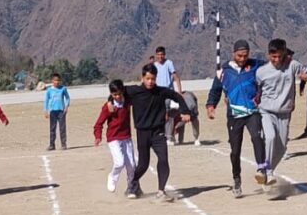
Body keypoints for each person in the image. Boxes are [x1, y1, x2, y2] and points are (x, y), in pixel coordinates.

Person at [118, 64, 191, 202]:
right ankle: (133, 184)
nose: (150, 81)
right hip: (142, 133)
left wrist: (185, 111)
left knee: (163, 159)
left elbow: (178, 97)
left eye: (153, 78)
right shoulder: (134, 91)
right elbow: (116, 90)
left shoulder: (161, 92)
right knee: (143, 165)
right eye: (147, 78)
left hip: (158, 132)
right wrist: (111, 101)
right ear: (142, 78)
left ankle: (161, 191)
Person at [206, 40, 267, 197]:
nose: (242, 58)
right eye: (240, 55)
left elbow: (273, 67)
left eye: (245, 55)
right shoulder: (223, 71)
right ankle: (237, 179)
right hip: (234, 115)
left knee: (257, 137)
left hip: (253, 112)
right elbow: (215, 90)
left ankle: (262, 169)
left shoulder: (257, 66)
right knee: (235, 150)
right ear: (233, 54)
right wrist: (211, 105)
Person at [256, 39, 307, 185]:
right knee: (270, 137)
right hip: (266, 112)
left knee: (281, 149)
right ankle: (267, 171)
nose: (276, 60)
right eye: (273, 57)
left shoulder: (292, 66)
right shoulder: (261, 72)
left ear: (284, 54)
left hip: (285, 113)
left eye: (279, 56)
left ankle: (267, 173)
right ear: (269, 55)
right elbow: (254, 91)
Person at [94, 80, 135, 193]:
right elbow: (98, 123)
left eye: (119, 94)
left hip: (126, 136)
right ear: (111, 94)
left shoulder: (127, 102)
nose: (117, 96)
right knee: (119, 162)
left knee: (131, 165)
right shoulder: (108, 107)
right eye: (114, 95)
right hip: (113, 138)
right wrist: (98, 136)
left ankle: (131, 187)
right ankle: (112, 177)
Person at [44, 73, 70, 151]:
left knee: (62, 128)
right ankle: (52, 145)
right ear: (52, 81)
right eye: (55, 80)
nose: (57, 82)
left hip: (61, 111)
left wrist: (66, 106)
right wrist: (46, 110)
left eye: (58, 80)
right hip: (53, 112)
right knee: (52, 128)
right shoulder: (49, 90)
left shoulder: (63, 88)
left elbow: (67, 98)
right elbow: (46, 101)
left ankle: (63, 144)